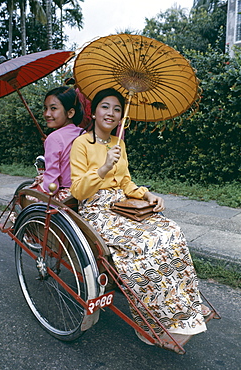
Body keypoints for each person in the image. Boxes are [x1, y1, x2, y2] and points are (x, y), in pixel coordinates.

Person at [70, 87, 208, 344]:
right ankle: (151, 320)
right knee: (142, 243)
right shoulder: (81, 144)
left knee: (170, 231)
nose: (111, 113)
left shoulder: (118, 142)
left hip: (121, 205)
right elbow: (78, 191)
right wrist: (103, 168)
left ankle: (180, 310)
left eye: (117, 109)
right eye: (105, 106)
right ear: (94, 110)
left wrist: (146, 195)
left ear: (122, 116)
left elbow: (126, 182)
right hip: (95, 209)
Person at [35, 86, 83, 201]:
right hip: (83, 191)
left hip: (65, 195)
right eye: (45, 108)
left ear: (70, 112)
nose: (47, 114)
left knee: (23, 197)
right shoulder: (84, 134)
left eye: (53, 108)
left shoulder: (54, 138)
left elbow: (52, 184)